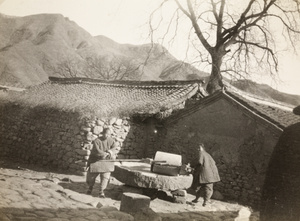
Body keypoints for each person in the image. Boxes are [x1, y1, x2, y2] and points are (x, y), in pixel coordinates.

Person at [86, 128, 119, 198]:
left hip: (106, 161)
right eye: (106, 133)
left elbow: (114, 147)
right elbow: (97, 151)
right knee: (91, 177)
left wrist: (110, 152)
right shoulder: (97, 141)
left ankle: (101, 191)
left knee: (105, 177)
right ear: (103, 133)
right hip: (96, 160)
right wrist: (105, 153)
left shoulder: (111, 140)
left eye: (109, 134)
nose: (107, 135)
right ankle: (90, 188)